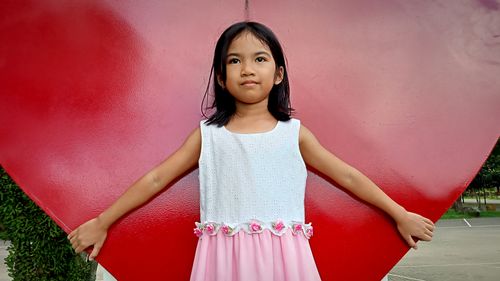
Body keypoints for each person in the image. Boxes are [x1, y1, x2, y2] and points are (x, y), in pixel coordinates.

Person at [68, 21, 435, 281]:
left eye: (260, 59)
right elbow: (157, 177)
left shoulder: (295, 134)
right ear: (220, 77)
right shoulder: (209, 136)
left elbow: (348, 175)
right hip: (222, 262)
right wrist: (103, 221)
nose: (247, 69)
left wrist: (399, 213)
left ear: (278, 74)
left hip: (286, 262)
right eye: (234, 60)